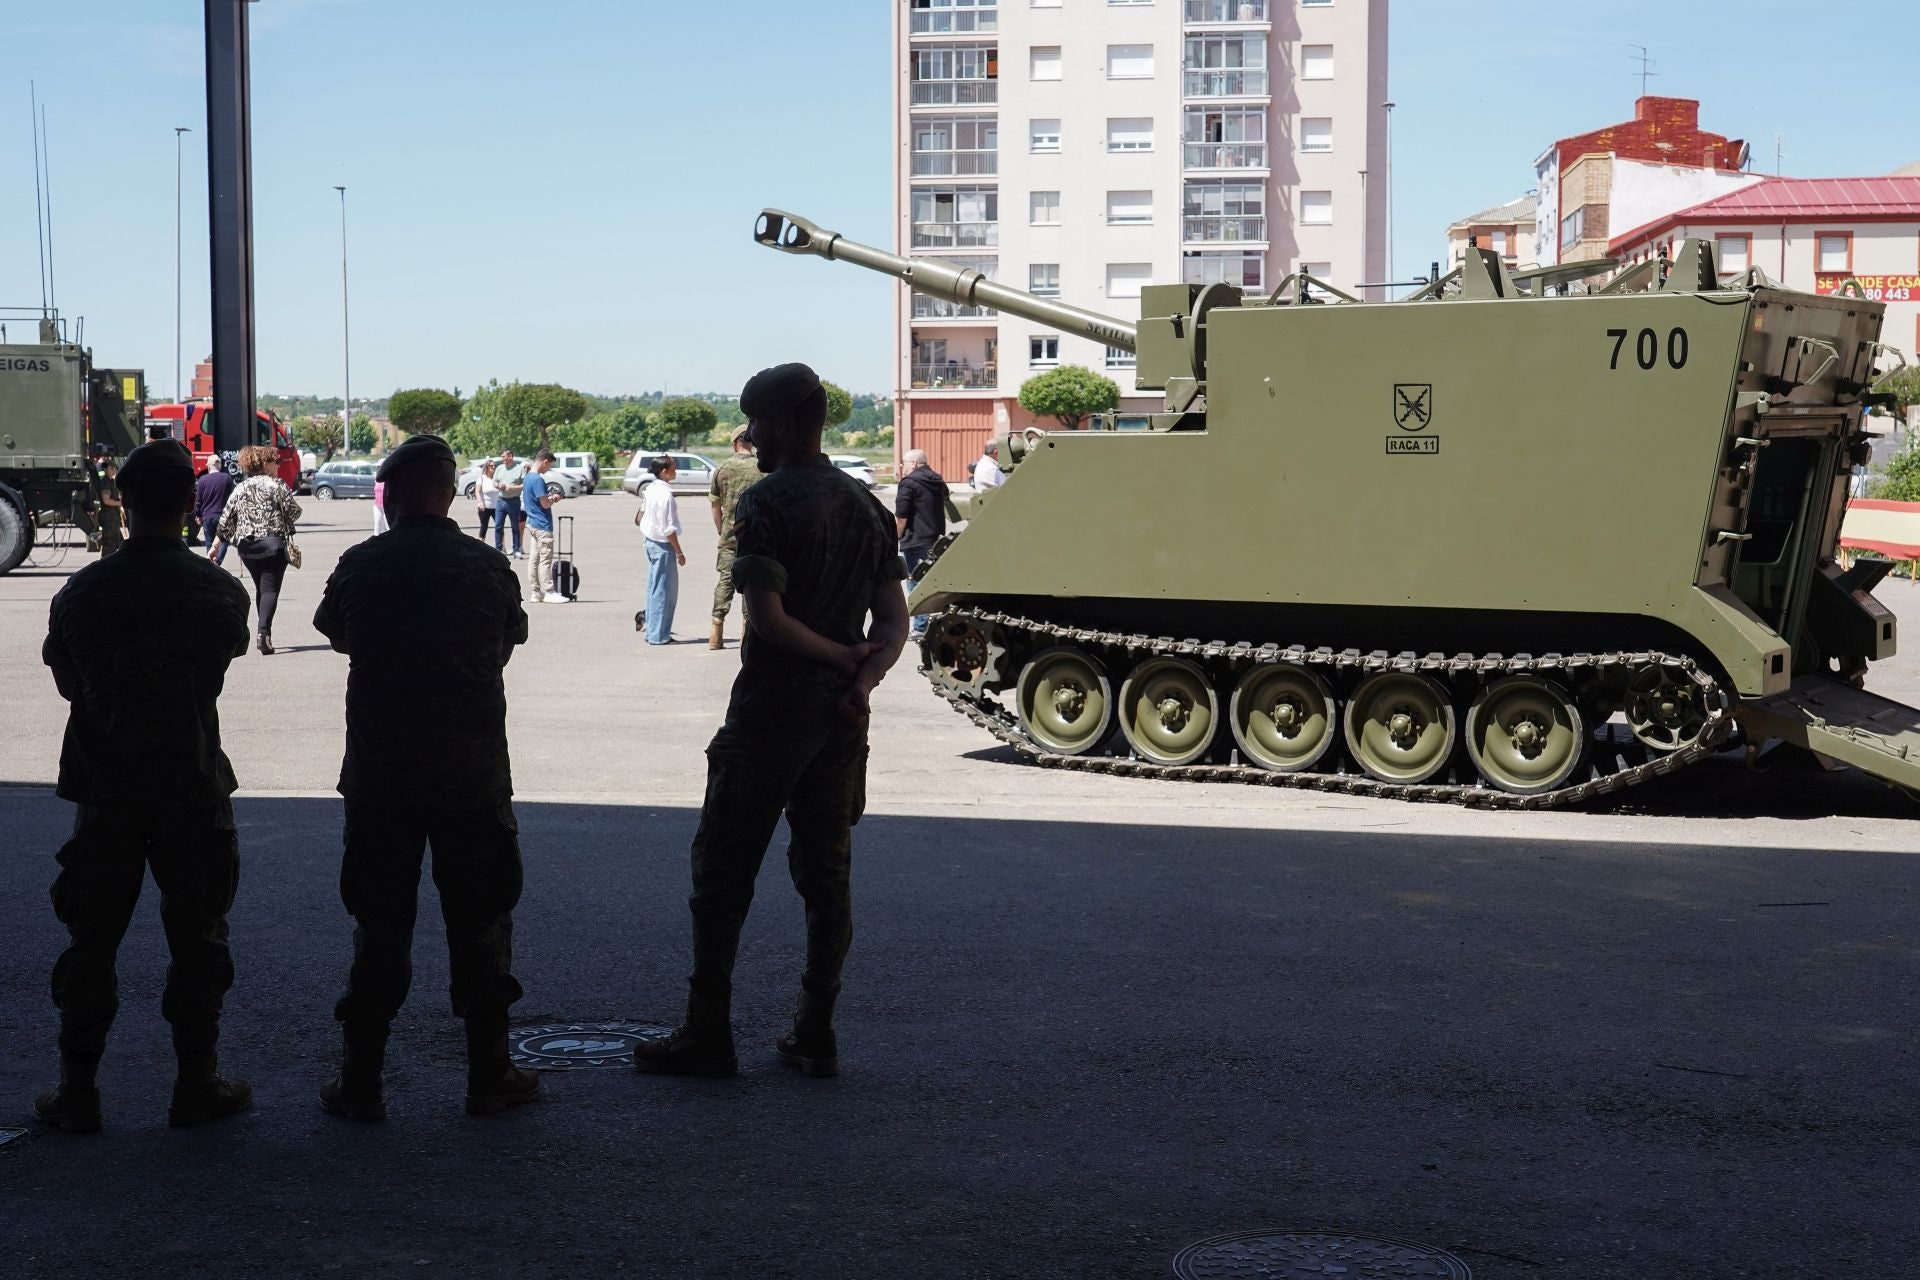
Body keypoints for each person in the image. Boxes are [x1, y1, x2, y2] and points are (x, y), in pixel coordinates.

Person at [634, 362, 907, 1082]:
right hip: (841, 720)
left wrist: (839, 659)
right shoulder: (865, 505)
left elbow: (768, 619)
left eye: (755, 423)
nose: (750, 437)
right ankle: (816, 1030)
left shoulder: (768, 502)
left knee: (722, 872)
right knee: (827, 874)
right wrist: (860, 676)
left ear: (782, 424)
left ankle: (708, 1031)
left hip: (772, 714)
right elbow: (894, 621)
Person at [311, 434, 540, 1121]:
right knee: (482, 921)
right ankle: (489, 1072)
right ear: (447, 492)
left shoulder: (363, 564)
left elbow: (337, 633)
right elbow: (508, 642)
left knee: (379, 924)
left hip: (382, 776)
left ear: (395, 496)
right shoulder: (488, 566)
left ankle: (361, 1079)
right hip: (472, 776)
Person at [35, 439, 255, 1133]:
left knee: (92, 939)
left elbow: (68, 682)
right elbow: (214, 673)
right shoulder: (219, 590)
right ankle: (197, 1082)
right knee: (198, 938)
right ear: (190, 503)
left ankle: (77, 1090)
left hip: (106, 787)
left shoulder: (83, 591)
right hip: (190, 781)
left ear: (123, 504)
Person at [210, 444, 302, 655]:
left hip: (247, 547)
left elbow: (226, 519)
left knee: (262, 588)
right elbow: (294, 512)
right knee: (270, 589)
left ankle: (264, 630)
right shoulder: (276, 485)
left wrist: (216, 545)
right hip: (273, 544)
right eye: (276, 462)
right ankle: (263, 633)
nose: (278, 466)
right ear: (266, 464)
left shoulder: (240, 487)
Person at [707, 425, 760, 650]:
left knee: (725, 582)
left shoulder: (722, 468)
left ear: (734, 443)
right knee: (751, 584)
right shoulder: (762, 468)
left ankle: (716, 632)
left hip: (729, 538)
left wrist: (722, 530)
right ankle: (746, 634)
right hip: (755, 539)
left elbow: (715, 505)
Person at [893, 448, 948, 639]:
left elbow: (901, 516)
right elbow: (946, 496)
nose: (903, 467)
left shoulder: (908, 483)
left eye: (905, 463)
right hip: (935, 540)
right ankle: (929, 624)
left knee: (915, 583)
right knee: (929, 582)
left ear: (915, 463)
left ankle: (920, 628)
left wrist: (894, 539)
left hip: (914, 541)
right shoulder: (937, 480)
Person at [635, 454, 686, 643]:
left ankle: (653, 630)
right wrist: (679, 552)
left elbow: (640, 516)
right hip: (662, 545)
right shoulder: (665, 495)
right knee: (664, 591)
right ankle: (658, 635)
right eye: (673, 467)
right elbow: (668, 529)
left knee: (654, 589)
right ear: (664, 471)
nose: (675, 470)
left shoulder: (651, 488)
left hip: (651, 541)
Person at [523, 447, 568, 605]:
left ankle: (535, 592)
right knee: (545, 560)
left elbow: (537, 500)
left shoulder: (527, 478)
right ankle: (549, 591)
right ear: (544, 461)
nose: (548, 469)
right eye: (549, 466)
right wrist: (554, 499)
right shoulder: (538, 480)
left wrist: (548, 498)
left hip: (532, 522)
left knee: (534, 560)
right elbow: (545, 504)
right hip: (542, 524)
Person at [195, 458, 235, 565]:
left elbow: (198, 500)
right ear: (219, 465)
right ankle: (217, 561)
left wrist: (198, 515)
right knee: (224, 540)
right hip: (223, 516)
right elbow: (233, 498)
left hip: (207, 517)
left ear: (208, 466)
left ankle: (211, 563)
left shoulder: (202, 480)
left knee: (209, 542)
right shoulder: (227, 478)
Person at [493, 449, 527, 558]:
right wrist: (498, 485)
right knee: (498, 526)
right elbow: (494, 481)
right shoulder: (499, 468)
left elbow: (524, 484)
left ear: (510, 456)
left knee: (515, 526)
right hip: (501, 500)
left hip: (514, 501)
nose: (502, 459)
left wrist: (513, 488)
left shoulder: (519, 468)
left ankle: (516, 549)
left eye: (504, 456)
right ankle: (498, 549)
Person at [95, 461, 126, 557]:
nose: (114, 470)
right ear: (105, 470)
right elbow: (106, 500)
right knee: (109, 546)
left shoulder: (112, 482)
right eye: (111, 468)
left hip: (113, 518)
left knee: (119, 543)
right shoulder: (105, 483)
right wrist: (119, 503)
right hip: (108, 518)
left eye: (115, 468)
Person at [475, 459, 501, 541]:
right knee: (484, 526)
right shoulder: (482, 478)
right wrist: (480, 502)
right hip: (484, 507)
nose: (494, 467)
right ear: (487, 467)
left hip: (496, 507)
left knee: (499, 526)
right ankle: (481, 544)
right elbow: (477, 491)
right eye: (491, 466)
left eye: (495, 466)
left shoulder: (497, 478)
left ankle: (501, 546)